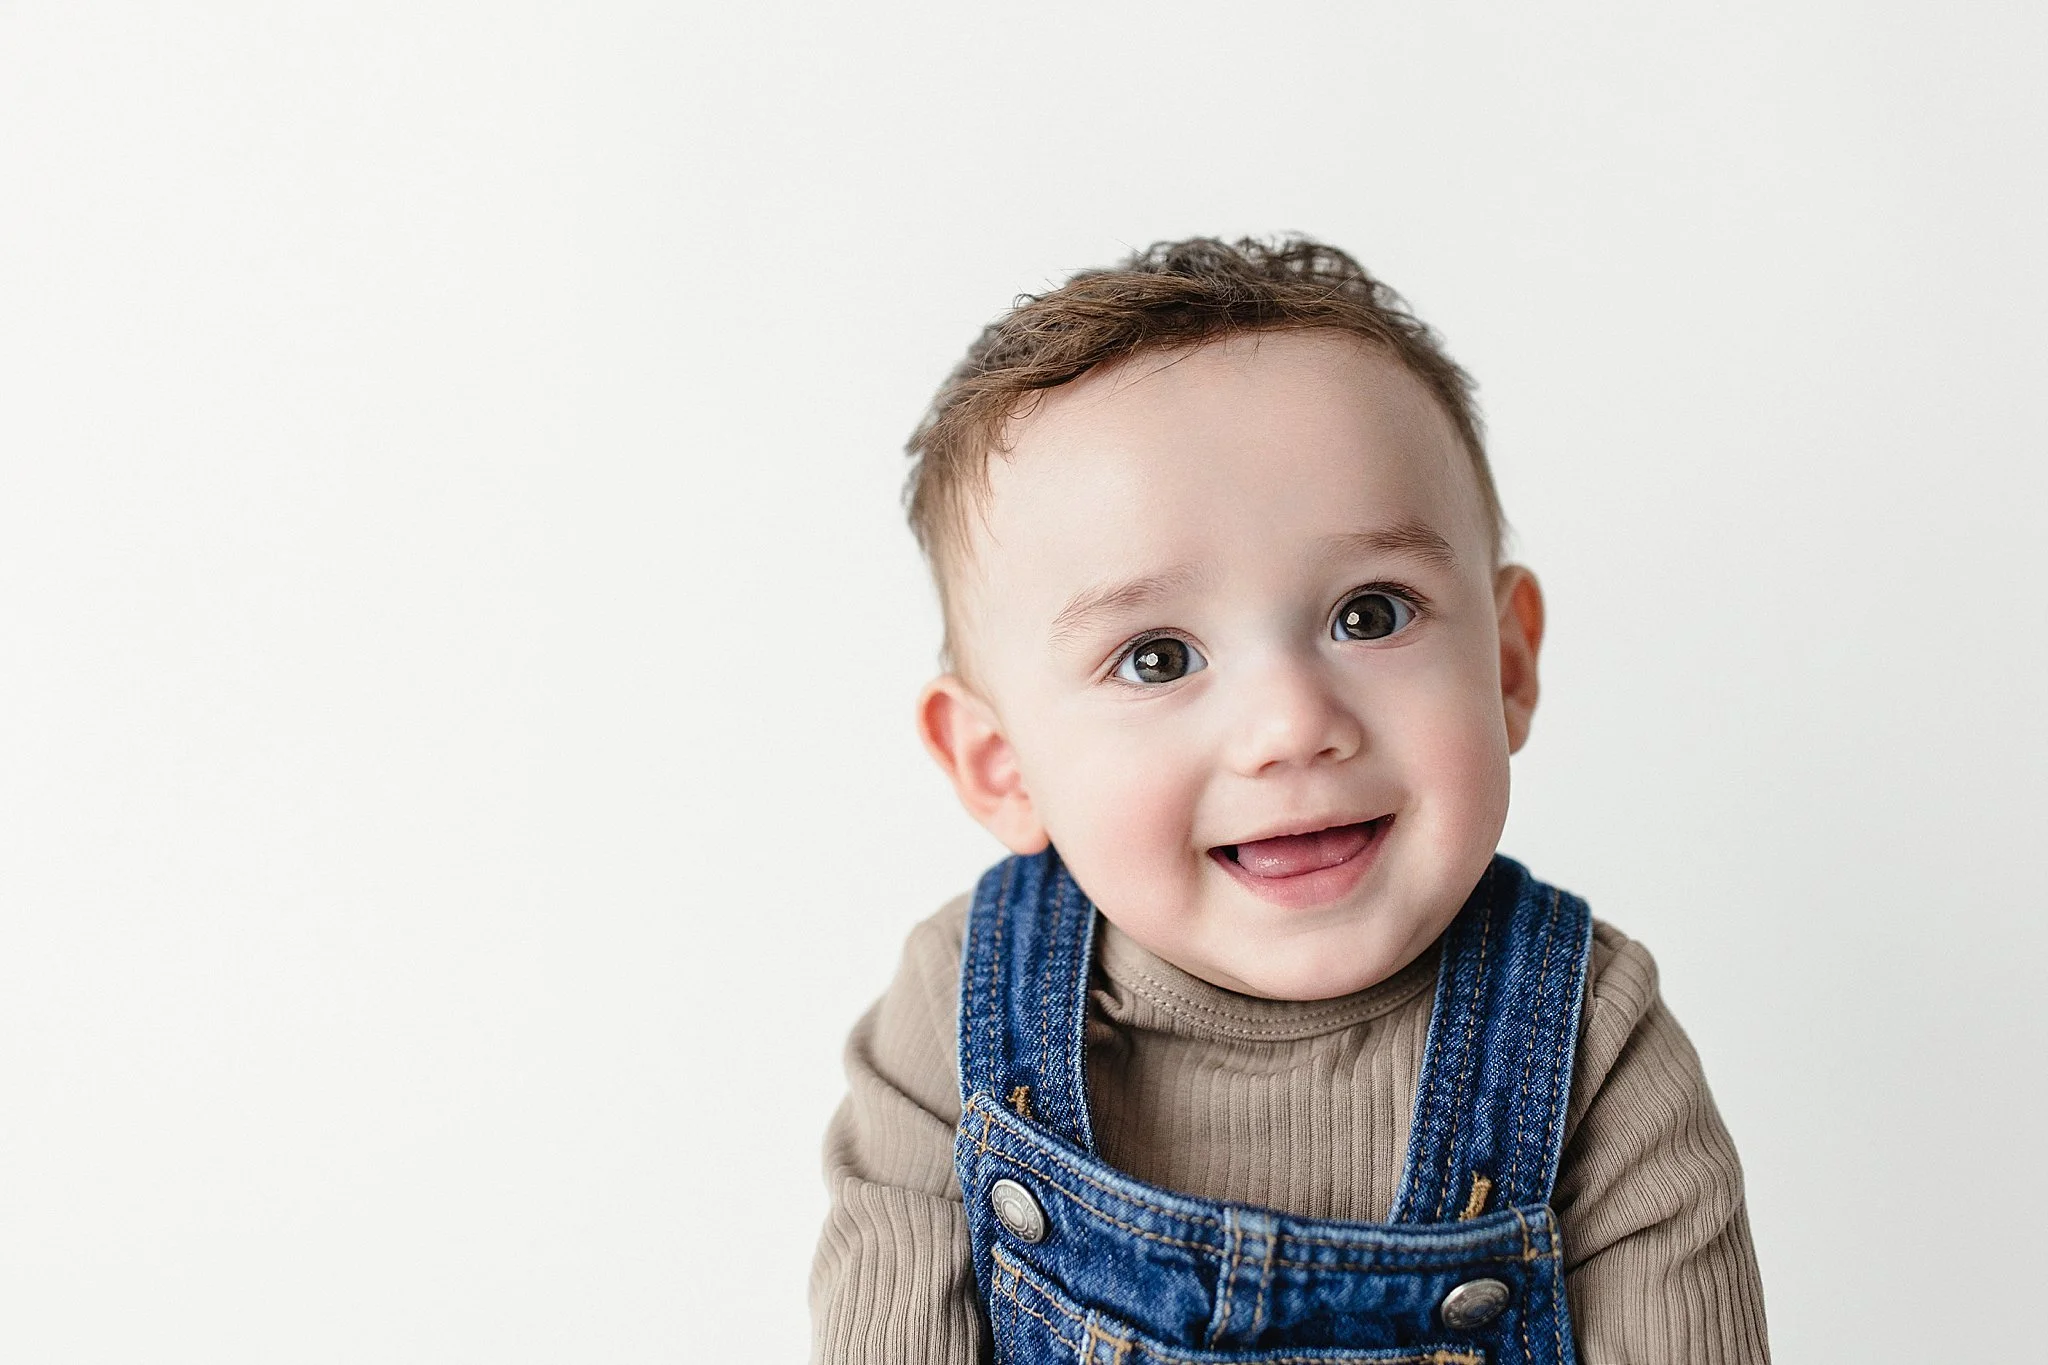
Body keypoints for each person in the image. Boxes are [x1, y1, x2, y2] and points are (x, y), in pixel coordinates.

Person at [810, 237, 1768, 1363]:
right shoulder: (961, 1015)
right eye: (1157, 658)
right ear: (1000, 764)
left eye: (1369, 615)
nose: (1290, 725)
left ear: (1505, 666)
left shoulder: (1590, 1042)